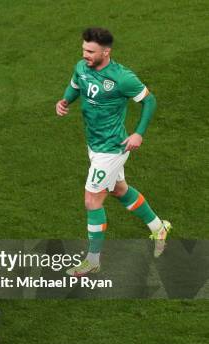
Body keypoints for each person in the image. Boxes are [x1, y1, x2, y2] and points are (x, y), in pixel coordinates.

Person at [55, 27, 171, 276]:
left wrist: (138, 133)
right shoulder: (82, 67)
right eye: (84, 49)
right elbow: (76, 85)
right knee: (120, 190)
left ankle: (93, 260)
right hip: (94, 145)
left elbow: (149, 101)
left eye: (91, 51)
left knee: (92, 200)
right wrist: (65, 101)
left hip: (112, 148)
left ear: (106, 52)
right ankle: (158, 227)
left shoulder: (122, 78)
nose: (85, 54)